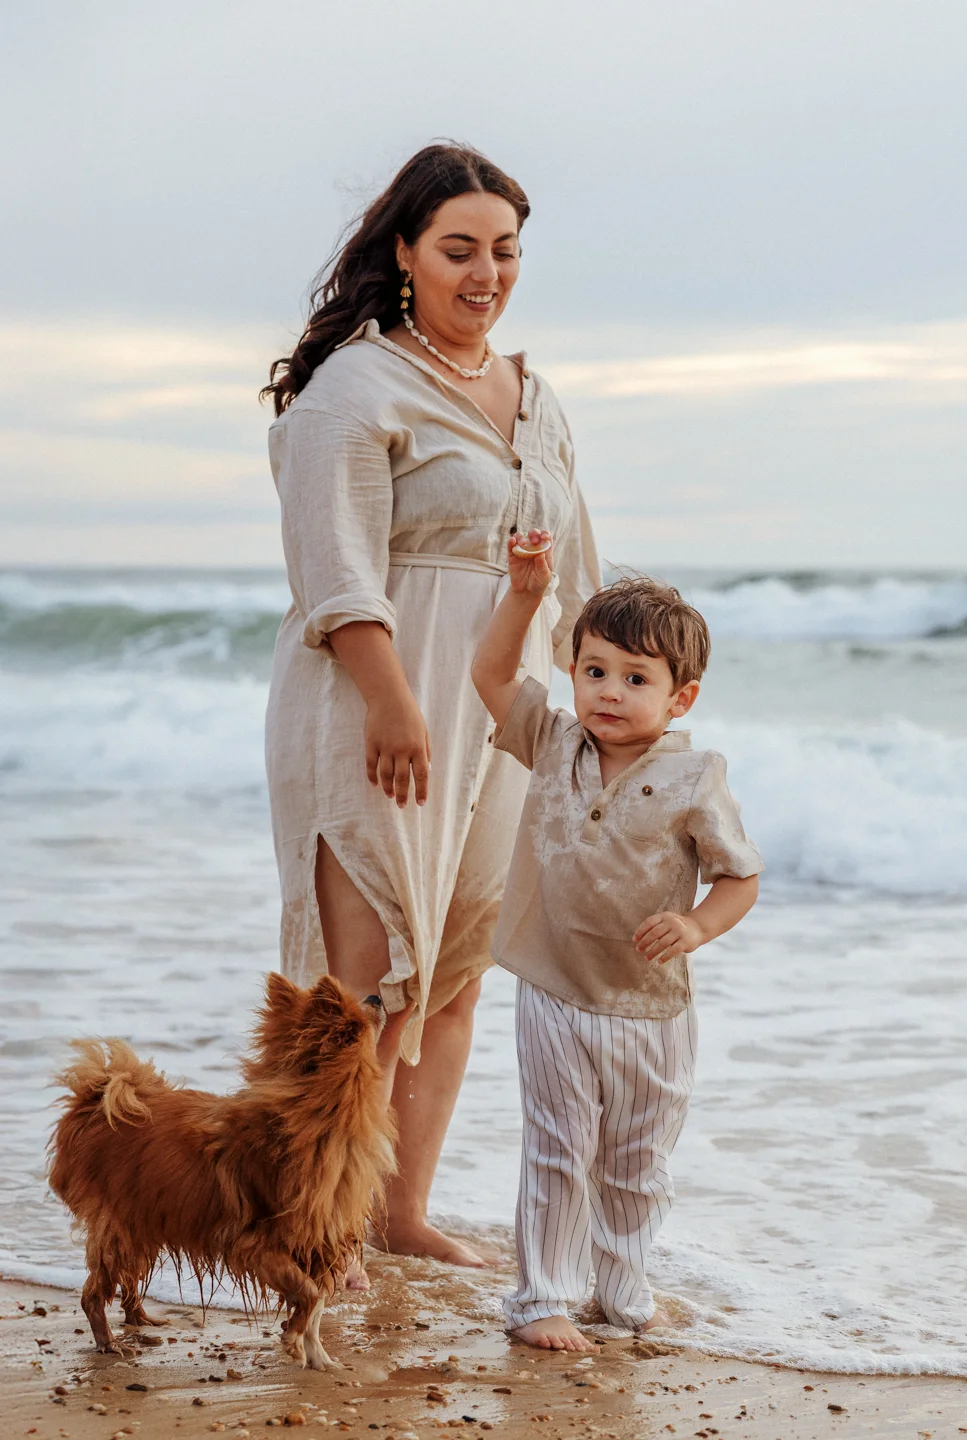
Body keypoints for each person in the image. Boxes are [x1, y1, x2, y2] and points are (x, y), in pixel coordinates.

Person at [262, 144, 600, 1269]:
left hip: (498, 715)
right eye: (459, 248)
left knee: (453, 969)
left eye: (503, 250)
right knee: (354, 987)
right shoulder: (355, 386)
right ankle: (305, 1221)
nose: (485, 271)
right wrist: (390, 698)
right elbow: (334, 560)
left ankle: (397, 1216)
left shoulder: (536, 399)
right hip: (375, 702)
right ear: (404, 252)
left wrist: (599, 717)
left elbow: (577, 572)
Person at [471, 547, 763, 1349]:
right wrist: (525, 597)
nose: (609, 692)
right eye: (594, 671)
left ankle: (623, 1290)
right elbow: (492, 677)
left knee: (636, 1159)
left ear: (681, 697)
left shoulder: (695, 778)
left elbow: (740, 878)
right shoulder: (554, 743)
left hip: (650, 1005)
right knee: (558, 1149)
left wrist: (698, 925)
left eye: (636, 679)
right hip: (553, 987)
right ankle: (540, 1301)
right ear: (572, 672)